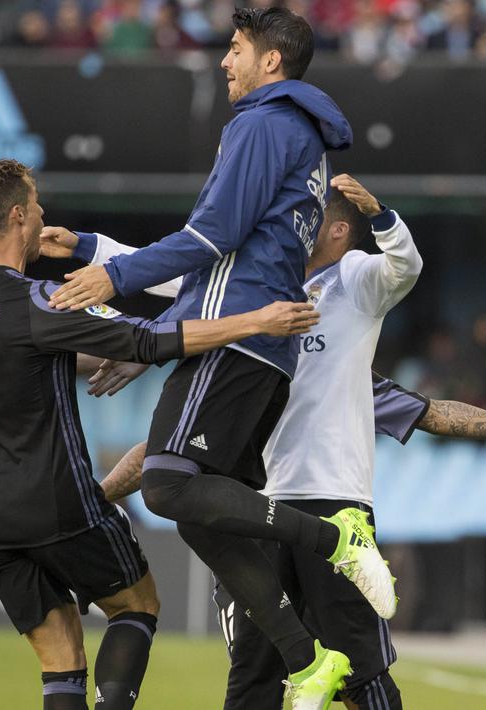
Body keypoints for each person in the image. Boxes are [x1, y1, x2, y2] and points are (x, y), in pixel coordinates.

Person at [45, 176, 486, 710]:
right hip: (250, 505)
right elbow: (178, 270)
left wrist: (383, 218)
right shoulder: (260, 279)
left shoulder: (355, 283)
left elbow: (408, 288)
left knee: (362, 674)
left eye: (305, 217)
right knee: (253, 674)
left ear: (336, 231)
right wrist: (87, 246)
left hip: (332, 502)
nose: (291, 224)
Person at [42, 8, 388, 708]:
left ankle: (333, 537)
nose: (224, 62)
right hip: (259, 347)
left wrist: (115, 278)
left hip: (236, 341)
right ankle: (306, 661)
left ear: (270, 60)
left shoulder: (262, 124)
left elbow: (212, 239)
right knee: (204, 514)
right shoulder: (304, 139)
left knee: (167, 485)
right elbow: (229, 259)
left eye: (235, 49)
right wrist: (153, 335)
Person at [0, 159, 317, 710]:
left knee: (60, 658)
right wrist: (256, 321)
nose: (42, 213)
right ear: (17, 216)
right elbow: (150, 339)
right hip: (56, 502)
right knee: (137, 605)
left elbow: (26, 357)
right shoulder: (38, 299)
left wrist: (100, 350)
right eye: (36, 203)